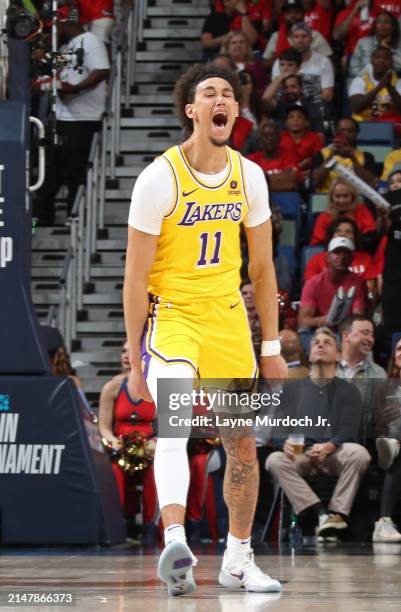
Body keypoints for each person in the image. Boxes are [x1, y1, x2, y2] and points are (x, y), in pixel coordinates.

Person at [124, 63, 287, 596]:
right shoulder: (158, 178)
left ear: (236, 112)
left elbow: (262, 271)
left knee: (241, 445)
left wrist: (271, 346)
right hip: (173, 316)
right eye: (207, 93)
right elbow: (132, 278)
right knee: (172, 426)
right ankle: (176, 542)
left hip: (227, 320)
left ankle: (239, 559)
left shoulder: (250, 176)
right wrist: (134, 350)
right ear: (191, 111)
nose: (220, 99)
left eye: (228, 94)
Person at [265, 327, 371, 539]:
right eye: (316, 343)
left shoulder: (348, 390)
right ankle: (319, 513)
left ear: (339, 355)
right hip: (300, 455)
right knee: (274, 460)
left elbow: (349, 428)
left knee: (359, 454)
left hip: (333, 453)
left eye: (327, 343)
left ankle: (337, 513)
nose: (320, 345)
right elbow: (277, 429)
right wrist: (281, 443)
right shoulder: (292, 389)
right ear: (310, 354)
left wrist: (330, 445)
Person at [33, 9, 110, 225]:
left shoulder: (90, 41)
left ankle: (74, 217)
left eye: (56, 25)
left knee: (75, 171)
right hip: (61, 117)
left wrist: (76, 89)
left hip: (83, 119)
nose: (54, 31)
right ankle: (44, 218)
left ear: (66, 22)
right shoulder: (65, 47)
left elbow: (102, 70)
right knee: (49, 172)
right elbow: (56, 76)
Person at [98, 340, 158, 543]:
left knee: (156, 471)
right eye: (123, 351)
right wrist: (113, 440)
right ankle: (124, 522)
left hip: (149, 448)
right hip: (121, 447)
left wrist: (156, 442)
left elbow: (171, 425)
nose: (125, 355)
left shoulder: (158, 386)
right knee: (115, 471)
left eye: (130, 351)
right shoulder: (112, 387)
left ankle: (150, 527)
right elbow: (103, 426)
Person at [372, 336, 401, 542]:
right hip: (393, 441)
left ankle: (384, 521)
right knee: (398, 447)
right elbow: (377, 428)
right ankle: (384, 523)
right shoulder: (385, 389)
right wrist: (383, 420)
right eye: (400, 348)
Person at [298, 237, 367, 330]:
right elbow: (302, 320)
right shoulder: (313, 283)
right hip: (319, 330)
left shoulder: (358, 283)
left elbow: (357, 318)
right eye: (337, 252)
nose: (342, 257)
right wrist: (319, 321)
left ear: (351, 259)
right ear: (327, 257)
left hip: (347, 330)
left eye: (346, 253)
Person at [337, 315, 387, 442]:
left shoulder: (378, 373)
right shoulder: (327, 367)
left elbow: (381, 420)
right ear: (346, 335)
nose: (370, 339)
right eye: (365, 333)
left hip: (361, 445)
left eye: (372, 335)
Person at [304, 217, 378, 298]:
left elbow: (370, 291)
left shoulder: (366, 259)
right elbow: (310, 290)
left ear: (355, 236)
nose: (342, 234)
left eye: (348, 231)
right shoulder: (316, 260)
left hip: (358, 303)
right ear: (331, 235)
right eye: (338, 231)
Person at [271, 22, 334, 104]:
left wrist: (304, 105)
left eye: (304, 36)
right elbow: (274, 92)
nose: (300, 40)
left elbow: (328, 95)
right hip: (285, 107)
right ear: (290, 40)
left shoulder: (324, 61)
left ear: (311, 39)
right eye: (296, 36)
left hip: (314, 108)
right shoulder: (280, 62)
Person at [310, 178, 377, 251]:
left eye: (345, 196)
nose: (341, 200)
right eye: (338, 196)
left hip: (359, 252)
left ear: (352, 197)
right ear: (332, 198)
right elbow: (317, 244)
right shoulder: (324, 217)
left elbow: (370, 236)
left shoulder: (361, 210)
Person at [262, 0, 332, 71]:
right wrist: (280, 59)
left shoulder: (315, 35)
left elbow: (330, 62)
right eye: (288, 13)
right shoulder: (276, 36)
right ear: (283, 16)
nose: (292, 16)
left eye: (296, 12)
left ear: (303, 14)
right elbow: (264, 64)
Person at [312, 117, 377, 193]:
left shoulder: (366, 156)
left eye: (350, 131)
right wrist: (330, 157)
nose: (345, 134)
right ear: (336, 132)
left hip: (356, 200)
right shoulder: (321, 154)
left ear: (356, 134)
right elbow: (315, 182)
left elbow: (371, 184)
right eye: (342, 130)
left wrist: (354, 160)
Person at [380, 160, 401, 337]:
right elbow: (381, 231)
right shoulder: (391, 197)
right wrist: (382, 218)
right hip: (395, 273)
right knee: (391, 327)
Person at [349, 46, 401, 124]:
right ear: (371, 61)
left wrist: (390, 88)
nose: (382, 60)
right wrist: (379, 87)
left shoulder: (400, 82)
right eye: (377, 57)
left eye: (387, 58)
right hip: (362, 125)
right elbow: (356, 107)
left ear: (391, 62)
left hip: (391, 126)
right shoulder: (360, 80)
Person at [247, 119, 301, 191]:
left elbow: (291, 183)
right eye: (265, 136)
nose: (269, 138)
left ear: (279, 138)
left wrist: (261, 181)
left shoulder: (290, 157)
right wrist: (281, 179)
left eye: (273, 135)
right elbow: (248, 186)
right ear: (260, 140)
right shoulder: (251, 160)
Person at [349, 11, 401, 77]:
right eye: (379, 22)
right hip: (364, 80)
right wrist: (368, 78)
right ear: (375, 26)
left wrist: (387, 49)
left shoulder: (400, 44)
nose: (382, 25)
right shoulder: (363, 42)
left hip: (390, 82)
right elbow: (353, 69)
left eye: (386, 22)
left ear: (392, 27)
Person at [279, 105, 324, 185]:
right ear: (286, 123)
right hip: (285, 175)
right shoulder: (279, 138)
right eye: (291, 117)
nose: (295, 120)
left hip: (308, 176)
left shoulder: (315, 138)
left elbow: (319, 162)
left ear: (307, 123)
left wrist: (311, 172)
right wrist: (299, 167)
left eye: (299, 117)